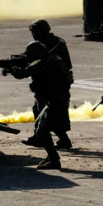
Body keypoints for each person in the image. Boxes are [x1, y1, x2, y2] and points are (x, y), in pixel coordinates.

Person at [3, 41, 73, 169]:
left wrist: (11, 69)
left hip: (53, 100)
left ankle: (54, 159)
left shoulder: (41, 62)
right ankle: (53, 155)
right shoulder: (56, 59)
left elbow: (22, 74)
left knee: (41, 130)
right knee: (49, 125)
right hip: (61, 98)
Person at [26, 19, 73, 150]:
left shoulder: (44, 45)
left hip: (50, 85)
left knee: (48, 114)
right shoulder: (58, 42)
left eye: (34, 32)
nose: (33, 34)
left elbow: (30, 63)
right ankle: (39, 136)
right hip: (51, 84)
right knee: (39, 110)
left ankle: (58, 140)